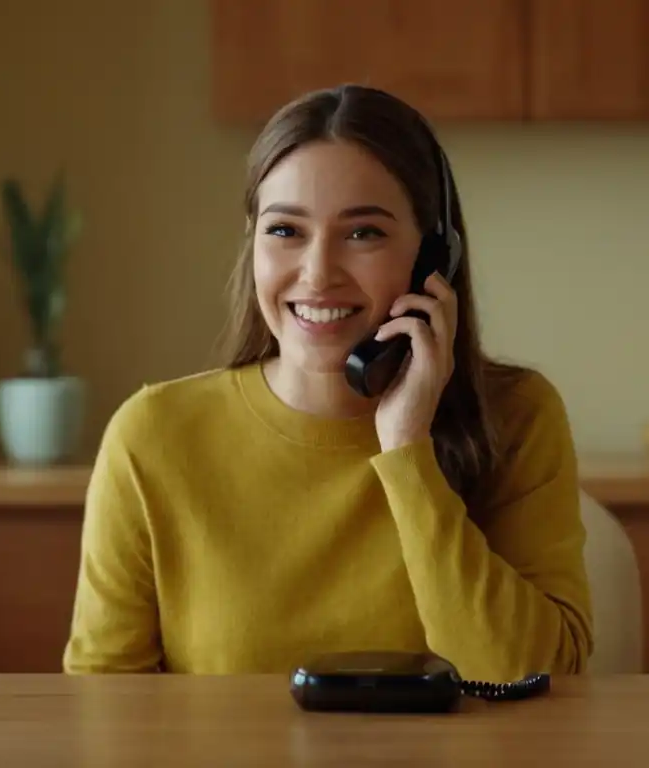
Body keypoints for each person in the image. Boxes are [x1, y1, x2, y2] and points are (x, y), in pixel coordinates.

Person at [62, 84, 593, 682]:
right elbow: (106, 709)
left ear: (433, 258)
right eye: (285, 231)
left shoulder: (518, 417)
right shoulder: (153, 435)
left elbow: (528, 680)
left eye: (363, 233)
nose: (317, 274)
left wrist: (407, 450)